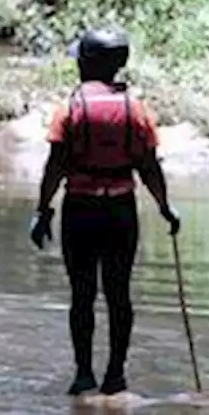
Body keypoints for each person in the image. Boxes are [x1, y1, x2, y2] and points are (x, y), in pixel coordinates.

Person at [29, 29, 181, 396]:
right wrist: (165, 208)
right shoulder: (136, 110)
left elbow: (55, 167)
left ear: (86, 63)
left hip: (79, 211)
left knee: (81, 295)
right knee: (119, 294)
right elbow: (149, 167)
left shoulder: (70, 109)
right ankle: (116, 375)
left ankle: (83, 374)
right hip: (121, 213)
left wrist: (43, 210)